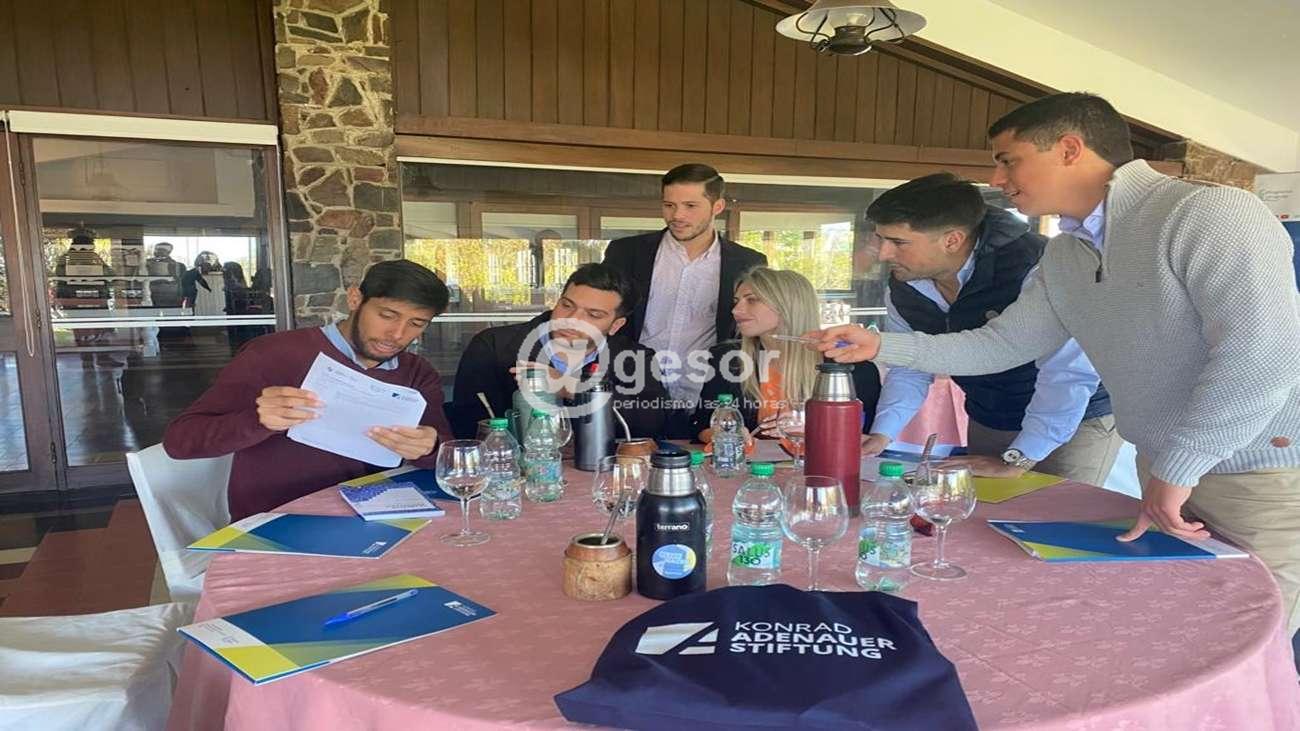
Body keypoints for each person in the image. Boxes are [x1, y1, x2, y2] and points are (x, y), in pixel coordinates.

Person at [813, 92, 1300, 640]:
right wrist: (882, 346)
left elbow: (1262, 354)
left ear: (1070, 149)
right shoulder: (1067, 252)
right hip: (1163, 464)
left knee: (1255, 640)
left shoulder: (1209, 213)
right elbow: (1000, 345)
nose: (997, 179)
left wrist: (1179, 468)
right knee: (1181, 629)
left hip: (1256, 472)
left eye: (1009, 160)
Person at [863, 173, 1120, 484]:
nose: (883, 254)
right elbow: (909, 366)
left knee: (1057, 512)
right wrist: (882, 434)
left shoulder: (1035, 265)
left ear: (952, 240)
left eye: (898, 242)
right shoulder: (904, 284)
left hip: (1075, 417)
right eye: (880, 239)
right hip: (989, 415)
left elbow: (1067, 373)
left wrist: (1021, 457)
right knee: (981, 509)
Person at [164, 259, 453, 520]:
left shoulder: (417, 373)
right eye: (387, 315)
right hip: (277, 522)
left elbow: (446, 456)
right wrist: (257, 420)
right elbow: (180, 442)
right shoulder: (273, 355)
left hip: (380, 517)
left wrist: (429, 447)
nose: (398, 334)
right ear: (355, 298)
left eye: (416, 323)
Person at [602, 163, 767, 437]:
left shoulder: (747, 262)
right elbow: (597, 311)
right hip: (634, 394)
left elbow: (757, 328)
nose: (677, 215)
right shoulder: (626, 252)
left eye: (690, 206)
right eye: (669, 205)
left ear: (717, 206)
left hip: (709, 399)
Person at [451, 263, 669, 439]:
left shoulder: (634, 358)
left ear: (616, 325)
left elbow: (653, 420)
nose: (572, 319)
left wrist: (572, 388)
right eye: (567, 305)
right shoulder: (493, 346)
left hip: (602, 471)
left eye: (593, 315)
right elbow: (466, 424)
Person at [692, 267, 881, 448]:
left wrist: (813, 430)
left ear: (788, 306)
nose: (735, 310)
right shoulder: (727, 359)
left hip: (822, 465)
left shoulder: (847, 367)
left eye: (752, 300)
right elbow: (700, 426)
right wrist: (725, 433)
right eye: (737, 301)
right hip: (750, 466)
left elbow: (866, 439)